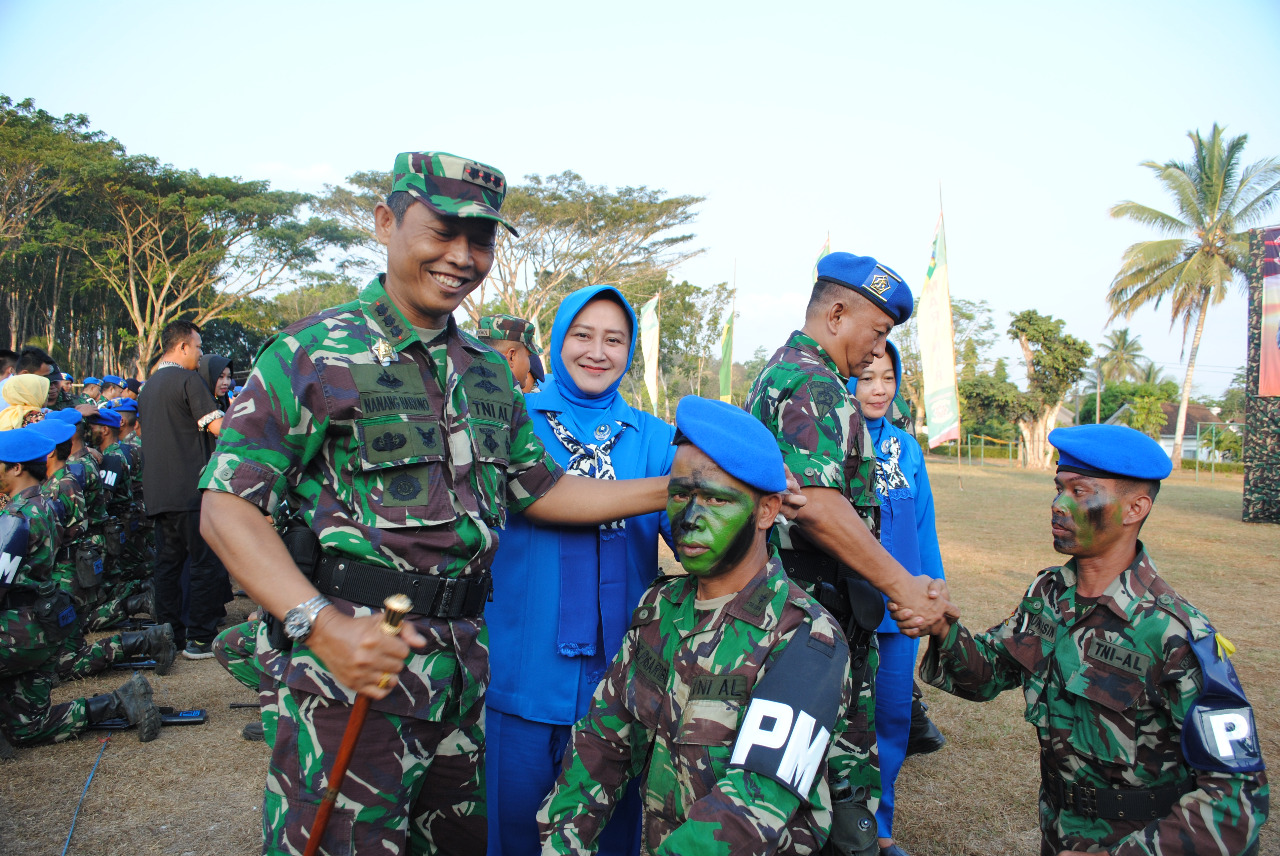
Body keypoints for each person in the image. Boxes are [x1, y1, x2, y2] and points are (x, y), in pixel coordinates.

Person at [198, 150, 693, 856]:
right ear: (385, 223)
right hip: (357, 667)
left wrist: (680, 486)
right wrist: (322, 628)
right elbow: (227, 507)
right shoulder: (312, 352)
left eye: (482, 239)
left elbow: (541, 490)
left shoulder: (489, 372)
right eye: (443, 231)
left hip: (464, 672)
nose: (463, 256)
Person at [904, 424, 1269, 856]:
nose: (1058, 506)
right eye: (1058, 488)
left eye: (1080, 492)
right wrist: (942, 628)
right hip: (1058, 830)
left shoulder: (1175, 634)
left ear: (1135, 508)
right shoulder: (1049, 594)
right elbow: (987, 674)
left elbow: (1236, 798)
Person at [538, 396, 854, 856]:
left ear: (767, 511)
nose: (688, 521)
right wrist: (562, 843)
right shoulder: (660, 607)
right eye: (681, 495)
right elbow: (602, 741)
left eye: (714, 500)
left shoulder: (806, 639)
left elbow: (751, 811)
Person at [745, 250, 957, 842]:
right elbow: (818, 506)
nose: (876, 349)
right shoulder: (812, 381)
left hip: (817, 618)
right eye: (878, 331)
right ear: (837, 313)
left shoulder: (795, 372)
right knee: (820, 804)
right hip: (809, 625)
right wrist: (901, 585)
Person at [486, 286, 675, 856]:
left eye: (614, 339)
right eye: (582, 335)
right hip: (521, 673)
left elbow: (693, 538)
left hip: (620, 683)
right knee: (513, 833)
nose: (597, 352)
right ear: (557, 340)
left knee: (612, 837)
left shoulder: (655, 437)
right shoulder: (514, 421)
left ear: (631, 349)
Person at [0, 425, 162, 747]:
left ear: (16, 468)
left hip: (16, 633)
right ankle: (121, 701)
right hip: (42, 625)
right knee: (26, 727)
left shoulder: (15, 518)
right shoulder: (47, 505)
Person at [849, 342, 945, 856]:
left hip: (898, 613)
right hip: (840, 609)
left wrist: (933, 591)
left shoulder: (905, 448)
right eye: (866, 378)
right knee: (838, 719)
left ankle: (880, 830)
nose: (879, 388)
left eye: (887, 377)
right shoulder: (826, 441)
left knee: (890, 719)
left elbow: (924, 525)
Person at [137, 319, 229, 660]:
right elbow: (217, 427)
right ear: (182, 347)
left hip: (159, 493)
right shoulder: (188, 380)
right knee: (203, 563)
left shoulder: (148, 387)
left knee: (167, 567)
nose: (201, 354)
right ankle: (201, 638)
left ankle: (169, 634)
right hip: (190, 491)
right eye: (199, 347)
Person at [477, 313, 542, 394]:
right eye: (528, 356)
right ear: (511, 356)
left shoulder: (464, 386)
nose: (529, 367)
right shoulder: (512, 400)